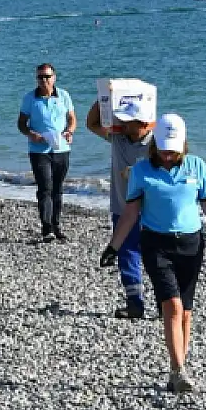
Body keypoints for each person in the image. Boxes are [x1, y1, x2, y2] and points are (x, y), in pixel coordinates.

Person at [102, 113, 206, 394]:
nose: (167, 155)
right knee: (172, 306)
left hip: (191, 246)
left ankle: (179, 366)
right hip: (155, 244)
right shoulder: (140, 170)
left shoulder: (196, 166)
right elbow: (131, 212)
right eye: (163, 149)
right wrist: (114, 246)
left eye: (172, 150)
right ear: (154, 144)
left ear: (183, 145)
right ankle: (178, 372)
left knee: (186, 312)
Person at [87, 95, 155, 318]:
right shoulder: (118, 138)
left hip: (152, 212)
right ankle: (134, 302)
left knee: (155, 257)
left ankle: (166, 304)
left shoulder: (157, 145)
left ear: (143, 123)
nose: (123, 123)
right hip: (120, 206)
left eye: (128, 121)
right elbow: (92, 123)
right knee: (127, 254)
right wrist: (105, 98)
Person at [18, 62, 76, 241]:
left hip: (61, 148)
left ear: (54, 77)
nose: (44, 80)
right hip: (38, 150)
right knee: (45, 188)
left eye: (47, 77)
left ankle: (56, 225)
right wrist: (30, 133)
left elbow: (72, 119)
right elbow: (21, 123)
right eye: (40, 77)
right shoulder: (30, 98)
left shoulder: (64, 95)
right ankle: (47, 228)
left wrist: (70, 131)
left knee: (57, 189)